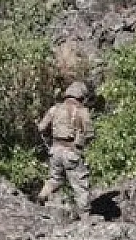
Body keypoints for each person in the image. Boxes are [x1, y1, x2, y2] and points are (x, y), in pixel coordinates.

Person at [37, 81, 94, 215]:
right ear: (81, 96)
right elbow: (91, 134)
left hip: (55, 152)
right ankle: (86, 217)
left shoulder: (54, 109)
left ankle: (41, 198)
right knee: (81, 186)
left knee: (55, 180)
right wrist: (80, 141)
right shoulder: (82, 111)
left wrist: (50, 141)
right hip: (71, 153)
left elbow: (41, 128)